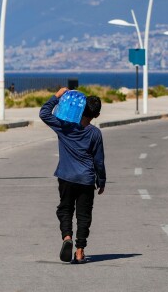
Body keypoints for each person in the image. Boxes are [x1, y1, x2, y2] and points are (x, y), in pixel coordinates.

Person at [39, 87, 106, 264]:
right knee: (84, 215)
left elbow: (44, 113)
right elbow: (99, 161)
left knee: (65, 209)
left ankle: (66, 237)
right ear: (96, 115)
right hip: (86, 179)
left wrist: (57, 96)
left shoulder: (64, 126)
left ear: (81, 108)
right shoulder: (95, 133)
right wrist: (102, 181)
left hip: (66, 177)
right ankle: (79, 251)